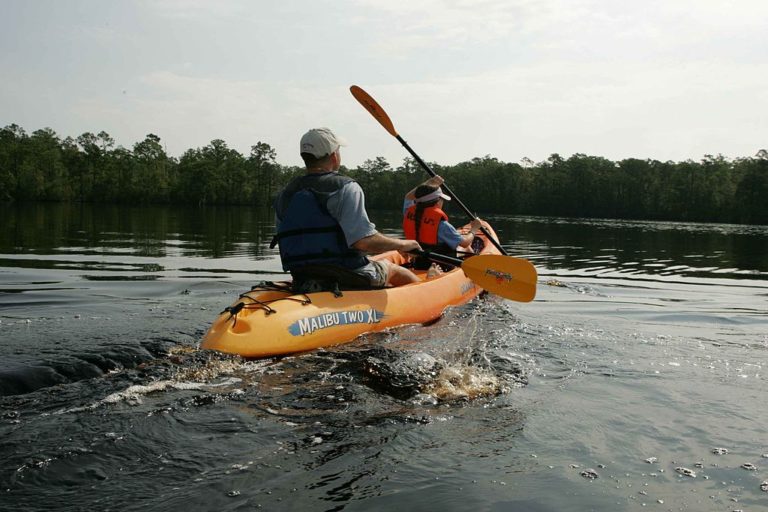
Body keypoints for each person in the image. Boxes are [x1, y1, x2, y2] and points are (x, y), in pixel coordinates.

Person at [272, 127, 422, 291]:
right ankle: (424, 295)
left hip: (303, 277)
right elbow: (363, 241)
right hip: (347, 274)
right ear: (334, 156)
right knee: (392, 269)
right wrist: (404, 245)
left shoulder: (284, 195)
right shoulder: (345, 188)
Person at [402, 175, 483, 270]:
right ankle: (473, 268)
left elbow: (408, 196)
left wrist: (429, 182)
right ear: (437, 202)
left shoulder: (407, 211)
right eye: (442, 199)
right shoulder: (443, 225)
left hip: (419, 263)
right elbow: (465, 243)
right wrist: (474, 229)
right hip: (442, 266)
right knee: (467, 247)